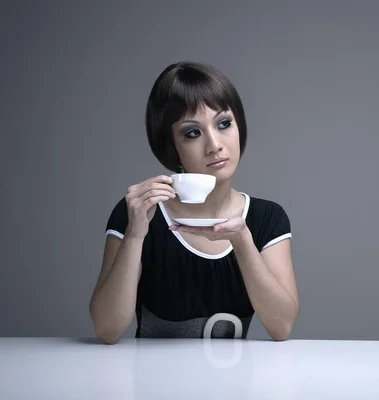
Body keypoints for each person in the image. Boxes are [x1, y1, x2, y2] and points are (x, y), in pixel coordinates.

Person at [89, 61, 299, 344]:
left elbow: (281, 326)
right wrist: (136, 234)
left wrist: (243, 241)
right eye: (192, 133)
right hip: (154, 383)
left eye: (224, 124)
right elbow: (107, 329)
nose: (214, 145)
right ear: (171, 146)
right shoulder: (141, 212)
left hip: (237, 384)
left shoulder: (267, 218)